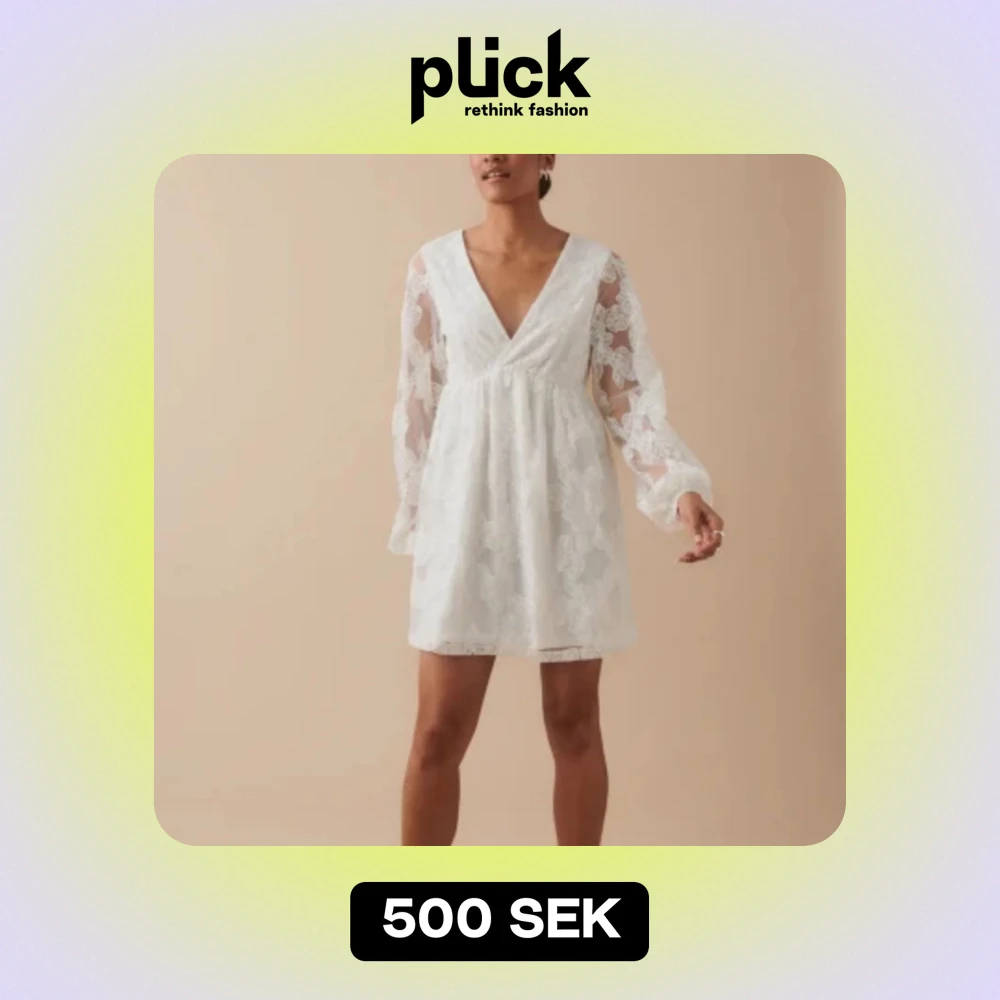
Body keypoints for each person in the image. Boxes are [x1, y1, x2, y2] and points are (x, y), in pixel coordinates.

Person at [389, 153, 725, 846]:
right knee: (437, 732)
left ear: (546, 154)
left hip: (567, 513)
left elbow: (628, 399)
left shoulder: (597, 271)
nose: (492, 154)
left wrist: (680, 487)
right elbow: (417, 403)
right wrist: (425, 520)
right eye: (479, 138)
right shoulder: (433, 267)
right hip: (466, 513)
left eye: (512, 137)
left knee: (574, 724)